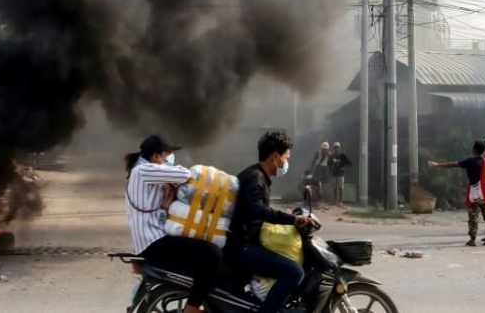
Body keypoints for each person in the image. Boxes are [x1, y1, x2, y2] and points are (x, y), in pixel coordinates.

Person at [125, 134, 221, 313]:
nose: (170, 159)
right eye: (167, 155)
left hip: (155, 237)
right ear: (156, 156)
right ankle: (192, 307)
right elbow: (186, 174)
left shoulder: (143, 169)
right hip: (154, 241)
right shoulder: (144, 170)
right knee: (212, 253)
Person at [225, 131, 316, 313]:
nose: (286, 163)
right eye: (286, 157)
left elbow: (259, 209)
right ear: (275, 156)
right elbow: (256, 210)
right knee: (294, 272)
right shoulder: (255, 178)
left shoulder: (257, 176)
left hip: (245, 243)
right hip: (242, 247)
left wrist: (290, 216)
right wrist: (292, 219)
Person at [428, 140, 485, 246]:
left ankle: (472, 240)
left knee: (473, 217)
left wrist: (438, 165)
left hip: (474, 195)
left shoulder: (470, 162)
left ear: (474, 150)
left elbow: (454, 164)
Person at [327, 142, 353, 207]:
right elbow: (329, 164)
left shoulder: (342, 155)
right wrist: (331, 169)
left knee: (340, 188)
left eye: (337, 147)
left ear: (339, 148)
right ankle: (334, 201)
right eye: (335, 147)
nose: (336, 148)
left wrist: (344, 167)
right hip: (334, 173)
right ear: (333, 148)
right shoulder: (331, 156)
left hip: (340, 174)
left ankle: (340, 201)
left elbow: (349, 163)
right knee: (334, 188)